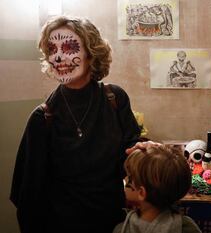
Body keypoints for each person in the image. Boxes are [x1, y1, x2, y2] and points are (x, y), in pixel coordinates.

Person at [10, 15, 141, 233]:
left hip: (112, 222)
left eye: (69, 47)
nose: (59, 56)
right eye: (52, 49)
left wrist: (145, 150)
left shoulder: (115, 99)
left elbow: (131, 153)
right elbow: (27, 197)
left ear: (92, 54)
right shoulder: (42, 118)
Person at [113, 145, 201, 233]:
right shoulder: (187, 227)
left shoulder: (122, 229)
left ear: (141, 193)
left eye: (129, 176)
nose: (125, 178)